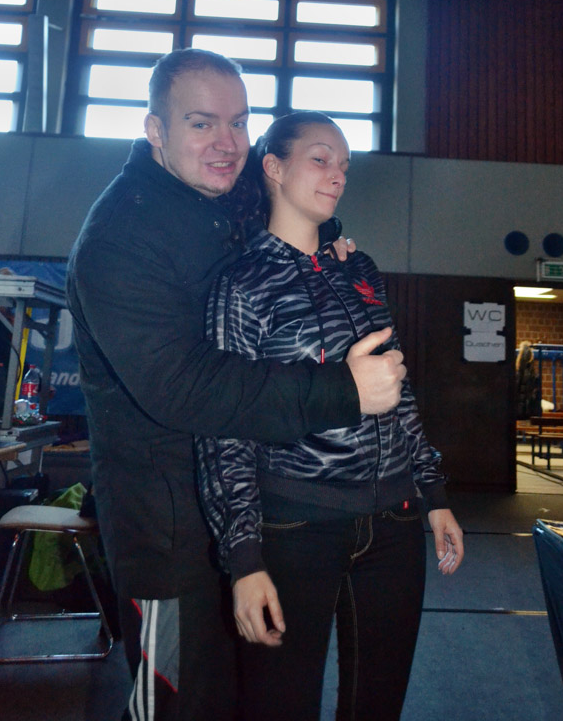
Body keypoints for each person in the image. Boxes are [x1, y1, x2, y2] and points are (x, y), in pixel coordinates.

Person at [66, 49, 406, 721]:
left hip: (247, 516)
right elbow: (182, 386)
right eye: (201, 124)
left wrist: (325, 247)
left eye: (239, 123)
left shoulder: (228, 196)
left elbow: (286, 225)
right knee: (180, 703)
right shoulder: (118, 238)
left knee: (249, 700)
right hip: (169, 535)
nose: (227, 144)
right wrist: (342, 391)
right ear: (155, 130)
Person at [196, 111, 464, 721]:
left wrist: (433, 493)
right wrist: (244, 556)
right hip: (296, 526)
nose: (338, 175)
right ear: (273, 167)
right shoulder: (240, 284)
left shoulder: (358, 269)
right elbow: (224, 426)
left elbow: (397, 388)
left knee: (378, 703)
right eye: (320, 159)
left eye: (344, 165)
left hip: (394, 522)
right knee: (279, 704)